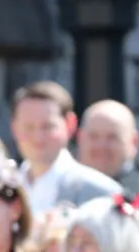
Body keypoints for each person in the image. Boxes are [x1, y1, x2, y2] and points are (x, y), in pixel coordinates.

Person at [77, 100, 139, 248]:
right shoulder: (65, 188)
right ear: (80, 138)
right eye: (93, 136)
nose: (101, 146)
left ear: (134, 141)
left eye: (112, 137)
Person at [9, 81, 120, 215]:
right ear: (14, 127)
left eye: (48, 127)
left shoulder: (101, 192)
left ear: (70, 124)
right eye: (28, 127)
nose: (38, 137)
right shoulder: (5, 188)